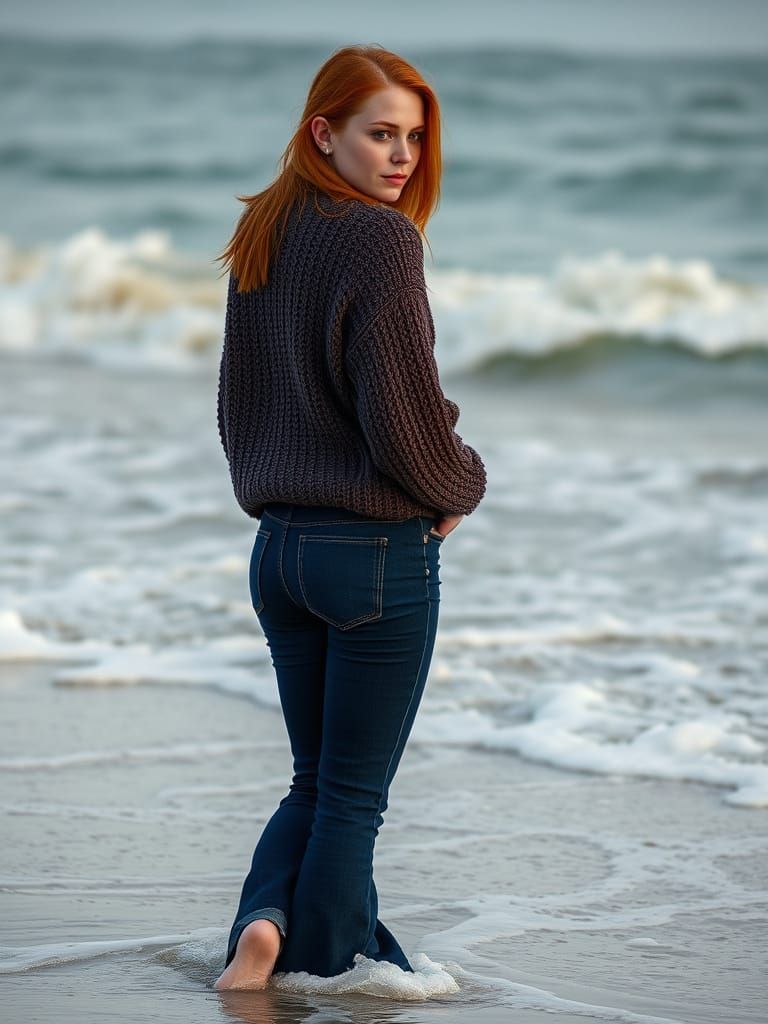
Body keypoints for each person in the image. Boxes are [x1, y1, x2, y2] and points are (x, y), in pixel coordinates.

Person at [212, 43, 487, 991]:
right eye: (381, 134)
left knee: (315, 782)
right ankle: (323, 985)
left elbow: (239, 405)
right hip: (370, 556)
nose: (402, 156)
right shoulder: (380, 239)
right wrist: (462, 485)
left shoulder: (265, 227)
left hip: (279, 552)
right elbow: (403, 419)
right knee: (352, 801)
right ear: (323, 133)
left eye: (415, 137)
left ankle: (261, 931)